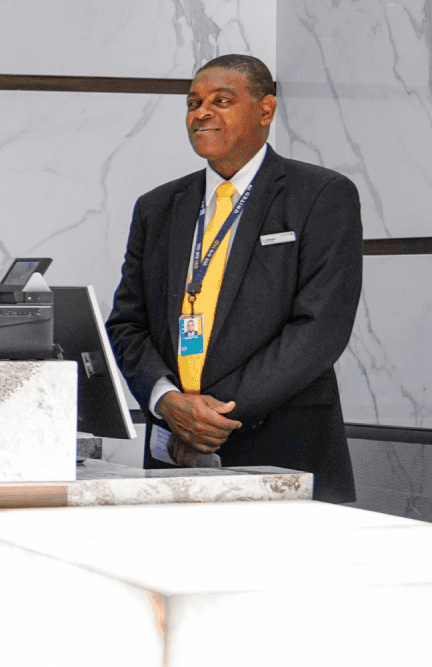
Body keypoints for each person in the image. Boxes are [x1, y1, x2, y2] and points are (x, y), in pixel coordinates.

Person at [105, 54, 362, 502]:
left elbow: (319, 329)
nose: (201, 112)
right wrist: (168, 402)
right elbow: (128, 324)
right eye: (193, 103)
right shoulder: (158, 207)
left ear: (265, 110)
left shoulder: (321, 194)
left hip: (282, 450)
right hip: (173, 455)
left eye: (221, 100)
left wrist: (207, 417)